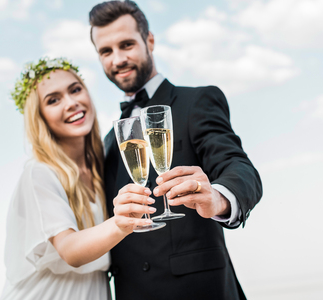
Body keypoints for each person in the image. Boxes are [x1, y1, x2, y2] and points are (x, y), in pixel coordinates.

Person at [89, 1, 263, 299]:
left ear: (150, 41)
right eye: (106, 51)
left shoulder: (196, 102)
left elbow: (239, 168)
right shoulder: (108, 140)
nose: (117, 59)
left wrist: (218, 197)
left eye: (127, 44)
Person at [1, 57, 156, 300]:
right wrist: (120, 223)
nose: (71, 103)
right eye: (53, 100)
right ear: (39, 117)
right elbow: (70, 249)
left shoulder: (103, 166)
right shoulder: (40, 172)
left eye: (75, 90)